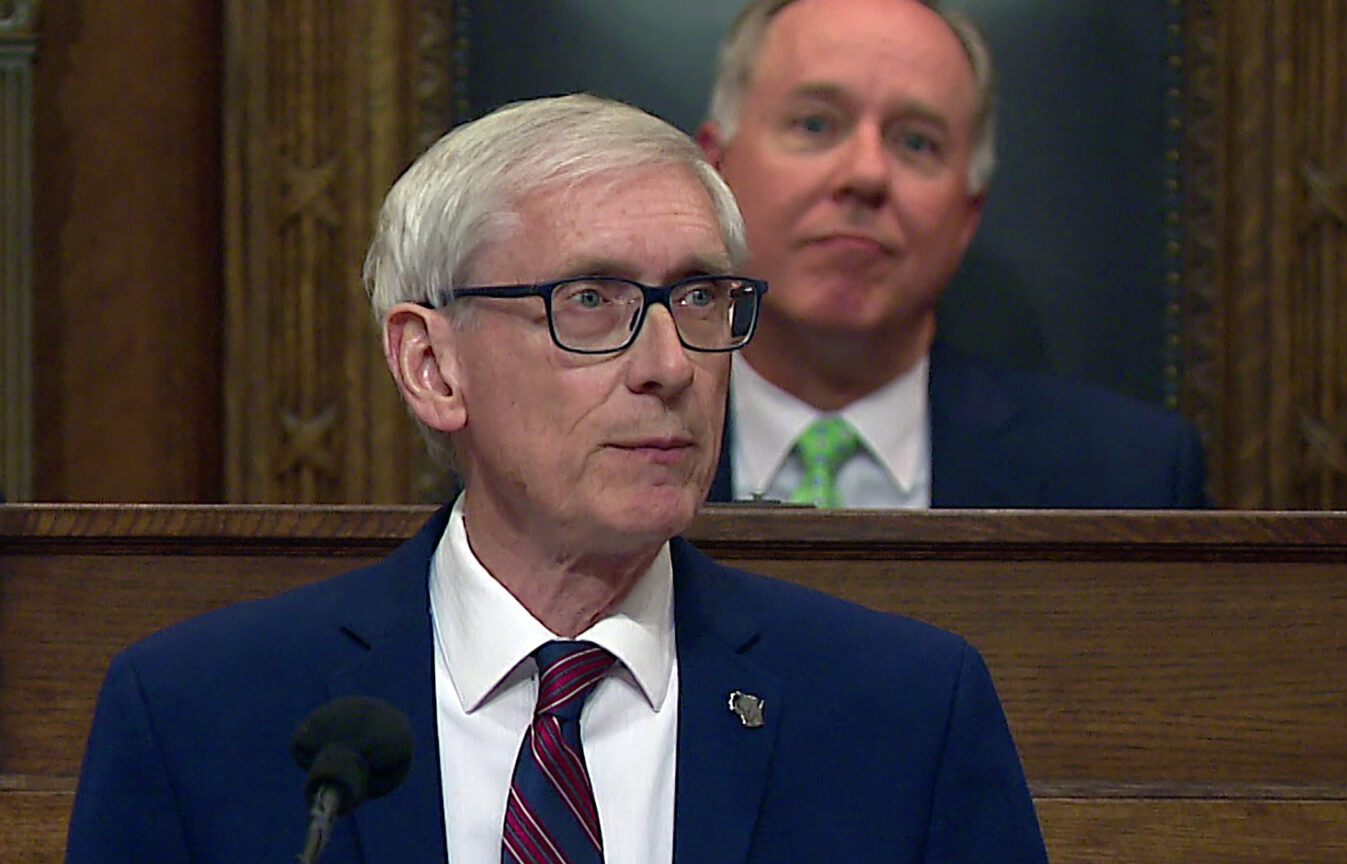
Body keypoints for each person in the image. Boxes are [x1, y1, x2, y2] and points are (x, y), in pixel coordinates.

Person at [66, 95, 1049, 863]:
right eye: (590, 300)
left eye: (699, 297)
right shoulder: (199, 714)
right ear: (431, 366)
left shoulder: (905, 712)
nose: (669, 364)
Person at [698, 0, 1210, 509]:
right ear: (717, 169)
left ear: (969, 211)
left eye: (917, 142)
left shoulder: (1129, 476)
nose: (866, 174)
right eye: (815, 125)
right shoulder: (621, 442)